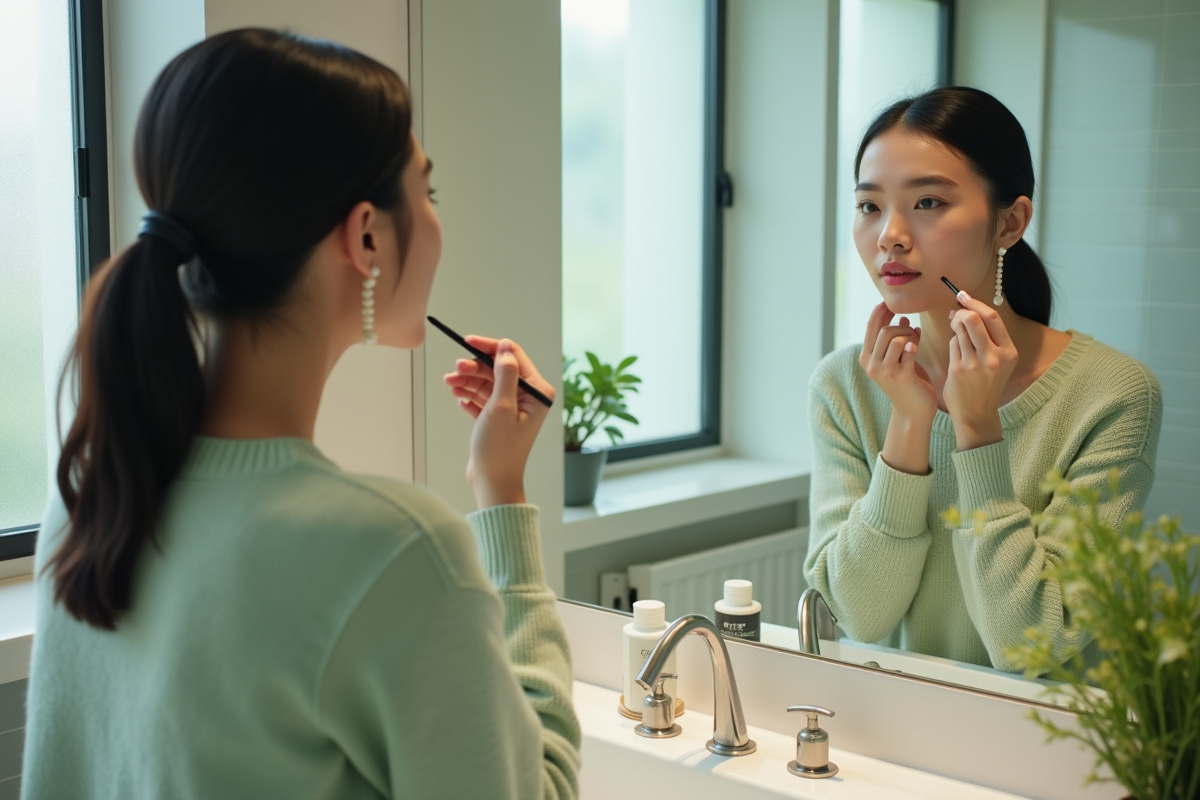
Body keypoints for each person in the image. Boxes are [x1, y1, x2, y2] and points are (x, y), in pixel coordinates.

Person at [22, 29, 579, 799]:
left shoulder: (90, 491)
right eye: (429, 191)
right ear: (367, 233)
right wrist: (503, 497)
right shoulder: (397, 553)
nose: (437, 217)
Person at [803, 86, 1162, 672]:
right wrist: (910, 425)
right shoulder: (844, 385)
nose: (890, 234)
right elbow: (858, 615)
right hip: (893, 736)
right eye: (870, 206)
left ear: (1010, 223)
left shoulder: (1113, 394)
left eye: (928, 203)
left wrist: (975, 429)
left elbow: (1032, 644)